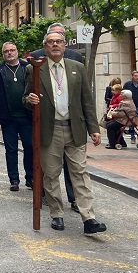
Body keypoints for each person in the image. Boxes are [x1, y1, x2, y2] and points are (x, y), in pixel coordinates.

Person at [23, 31, 107, 235]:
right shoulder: (34, 69)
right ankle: (56, 214)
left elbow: (87, 101)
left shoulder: (77, 68)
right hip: (49, 130)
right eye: (50, 42)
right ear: (45, 46)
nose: (55, 45)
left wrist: (94, 129)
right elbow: (25, 98)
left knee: (80, 172)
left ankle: (89, 218)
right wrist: (30, 100)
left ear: (64, 45)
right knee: (51, 174)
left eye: (58, 42)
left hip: (74, 128)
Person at [0, 41, 33, 192]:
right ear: (3, 54)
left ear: (17, 51)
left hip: (27, 116)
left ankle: (30, 177)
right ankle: (14, 179)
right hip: (8, 117)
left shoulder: (27, 68)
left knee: (30, 147)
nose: (9, 53)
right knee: (11, 149)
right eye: (6, 51)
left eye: (12, 50)